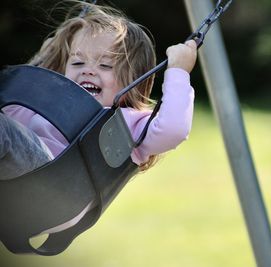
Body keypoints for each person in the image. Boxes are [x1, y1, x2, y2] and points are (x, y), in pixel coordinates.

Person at [0, 2, 197, 234]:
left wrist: (179, 72)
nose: (88, 70)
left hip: (52, 188)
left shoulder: (127, 124)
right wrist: (43, 59)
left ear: (135, 80)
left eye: (105, 65)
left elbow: (174, 129)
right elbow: (9, 98)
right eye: (77, 62)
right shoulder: (42, 104)